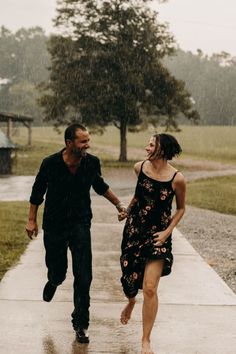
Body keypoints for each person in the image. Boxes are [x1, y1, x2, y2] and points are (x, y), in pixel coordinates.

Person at [25, 123, 126, 344]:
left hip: (80, 224)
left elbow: (99, 185)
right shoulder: (50, 164)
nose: (87, 145)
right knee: (59, 270)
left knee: (84, 276)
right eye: (83, 141)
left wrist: (119, 205)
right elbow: (37, 192)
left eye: (88, 140)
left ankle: (81, 324)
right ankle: (54, 280)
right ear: (69, 143)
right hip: (54, 225)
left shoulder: (91, 163)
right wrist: (32, 220)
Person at [119, 133, 186, 354]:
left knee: (149, 288)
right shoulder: (139, 168)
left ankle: (146, 340)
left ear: (162, 149)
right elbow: (139, 195)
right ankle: (130, 301)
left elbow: (181, 209)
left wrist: (167, 232)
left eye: (151, 144)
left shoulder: (177, 179)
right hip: (134, 231)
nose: (146, 147)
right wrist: (127, 211)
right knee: (130, 279)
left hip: (159, 236)